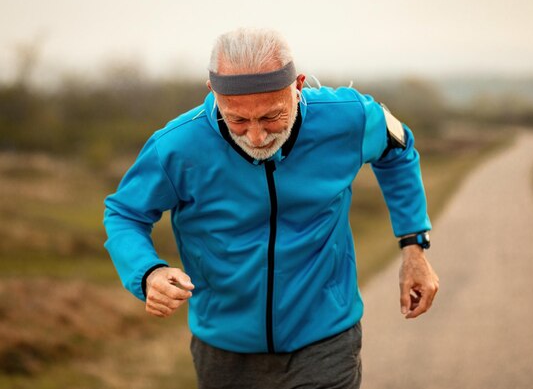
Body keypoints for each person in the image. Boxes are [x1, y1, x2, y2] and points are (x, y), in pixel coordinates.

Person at [103, 28, 439, 389]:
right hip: (224, 347)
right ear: (212, 92)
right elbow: (125, 214)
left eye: (271, 117)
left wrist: (413, 246)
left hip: (325, 335)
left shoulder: (350, 117)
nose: (257, 137)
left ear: (298, 85)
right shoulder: (177, 146)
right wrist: (148, 272)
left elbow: (399, 150)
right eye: (238, 120)